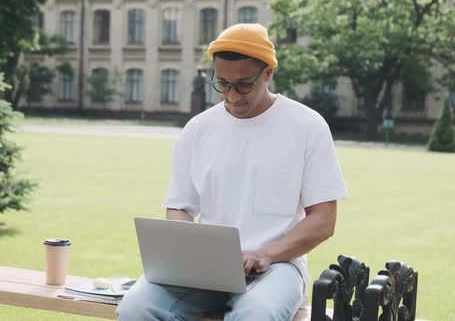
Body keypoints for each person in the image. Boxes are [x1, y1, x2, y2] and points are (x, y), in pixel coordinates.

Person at [117, 23, 348, 321]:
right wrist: (185, 248)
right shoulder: (198, 129)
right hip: (205, 267)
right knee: (136, 308)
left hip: (279, 266)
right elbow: (179, 207)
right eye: (223, 84)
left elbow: (323, 221)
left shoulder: (307, 126)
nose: (233, 96)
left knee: (256, 314)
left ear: (268, 73)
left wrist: (267, 253)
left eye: (243, 85)